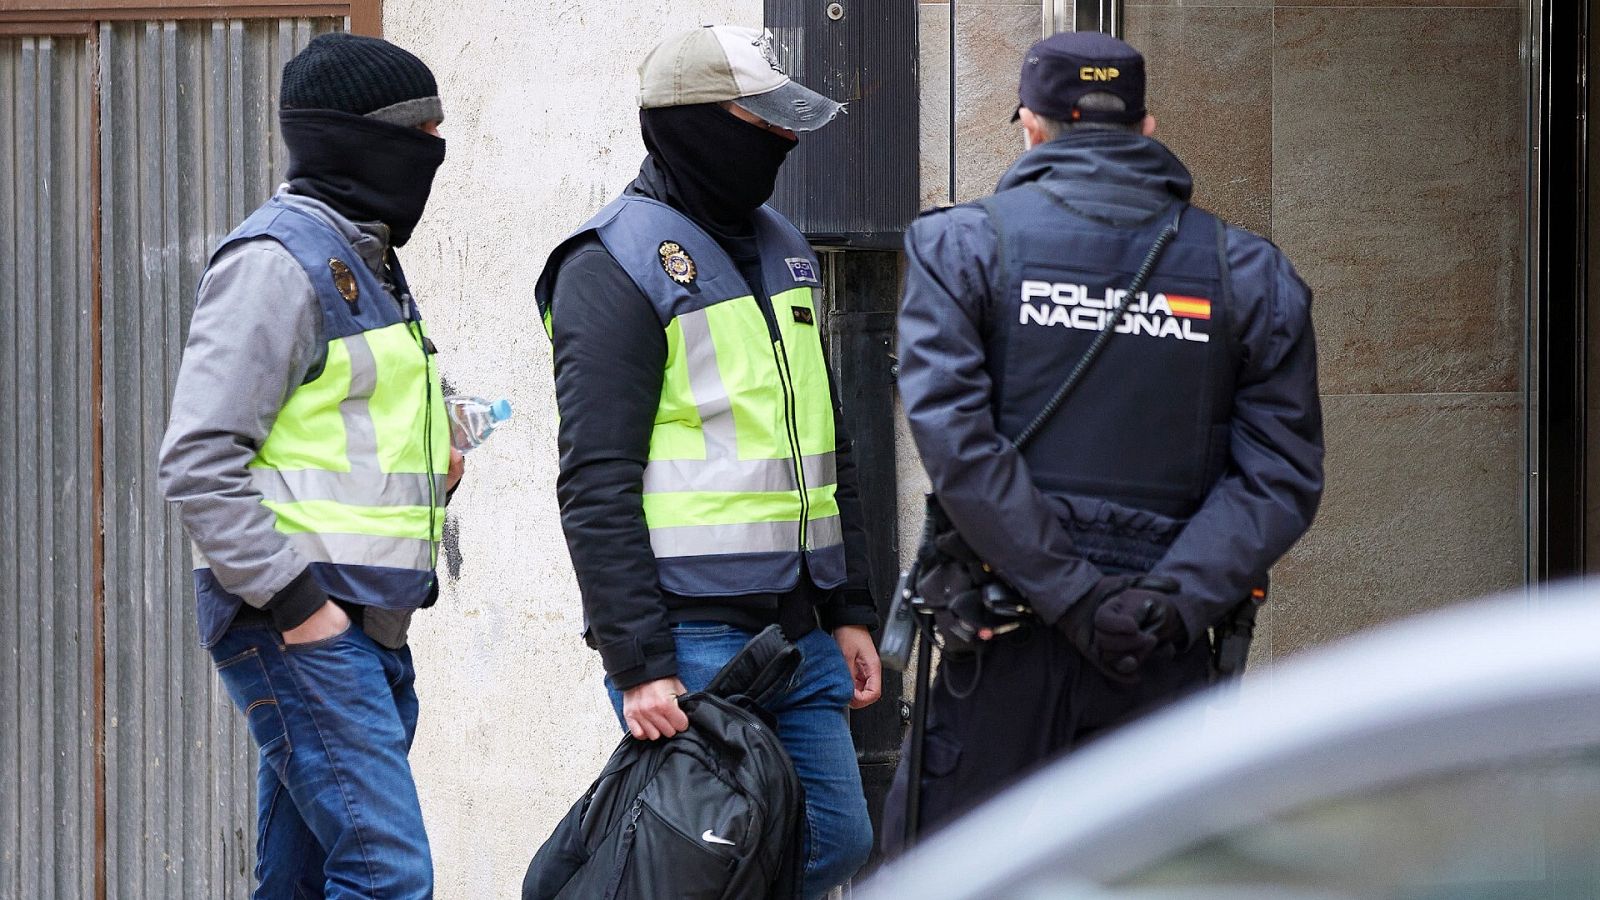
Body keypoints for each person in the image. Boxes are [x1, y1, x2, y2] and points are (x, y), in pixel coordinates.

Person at [883, 31, 1324, 851]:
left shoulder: (961, 248)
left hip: (1003, 645)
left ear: (1031, 127)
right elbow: (1281, 479)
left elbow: (958, 444)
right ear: (1148, 128)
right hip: (1160, 656)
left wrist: (1074, 597)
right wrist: (1166, 603)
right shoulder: (1251, 274)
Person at [534, 25, 881, 898]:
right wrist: (638, 660)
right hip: (691, 637)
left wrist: (848, 607)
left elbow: (824, 446)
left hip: (799, 631)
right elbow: (595, 481)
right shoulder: (610, 262)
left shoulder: (782, 245)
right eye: (757, 122)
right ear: (691, 126)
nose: (784, 140)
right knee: (697, 862)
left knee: (834, 840)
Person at [157, 33, 462, 898]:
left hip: (365, 624)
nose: (435, 156)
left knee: (305, 876)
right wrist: (301, 611)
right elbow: (198, 459)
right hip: (302, 621)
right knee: (388, 875)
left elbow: (335, 437)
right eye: (421, 135)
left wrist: (431, 466)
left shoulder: (364, 258)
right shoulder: (276, 262)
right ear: (358, 140)